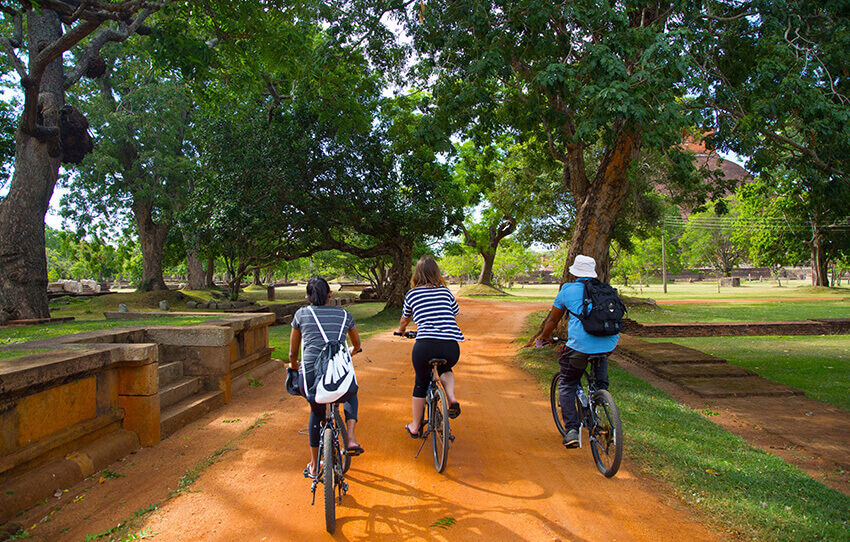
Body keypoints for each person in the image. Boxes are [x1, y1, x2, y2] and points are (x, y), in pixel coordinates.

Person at [539, 254, 619, 448]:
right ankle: (601, 399)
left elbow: (553, 319)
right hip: (609, 343)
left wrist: (544, 337)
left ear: (574, 272)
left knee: (567, 383)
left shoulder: (568, 290)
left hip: (580, 347)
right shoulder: (606, 290)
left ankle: (572, 430)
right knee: (599, 380)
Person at [288, 277, 363, 478]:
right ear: (330, 294)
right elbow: (356, 344)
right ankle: (351, 437)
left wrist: (294, 368)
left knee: (316, 411)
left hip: (311, 375)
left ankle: (314, 466)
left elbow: (292, 354)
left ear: (307, 297)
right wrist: (353, 351)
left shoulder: (301, 314)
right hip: (338, 373)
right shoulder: (345, 315)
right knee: (350, 392)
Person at [395, 256, 464, 438]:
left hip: (425, 345)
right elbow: (454, 313)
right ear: (437, 273)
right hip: (450, 346)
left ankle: (416, 426)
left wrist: (401, 330)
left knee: (421, 382)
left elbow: (405, 318)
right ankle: (451, 397)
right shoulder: (446, 292)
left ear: (417, 274)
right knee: (446, 367)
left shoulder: (412, 294)